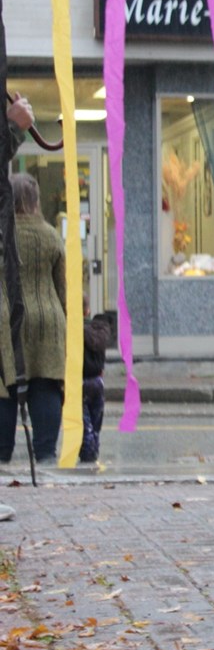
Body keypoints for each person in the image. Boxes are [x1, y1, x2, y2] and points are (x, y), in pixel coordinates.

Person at [0, 171, 65, 466]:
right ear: (36, 201)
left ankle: (2, 453)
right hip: (47, 320)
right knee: (46, 382)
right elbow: (62, 285)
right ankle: (46, 453)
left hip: (6, 320)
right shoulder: (51, 235)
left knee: (4, 386)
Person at [79, 316, 111, 463]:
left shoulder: (75, 328)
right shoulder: (100, 331)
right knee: (96, 420)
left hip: (81, 381)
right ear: (87, 311)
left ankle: (87, 453)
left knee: (84, 422)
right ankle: (94, 451)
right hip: (98, 381)